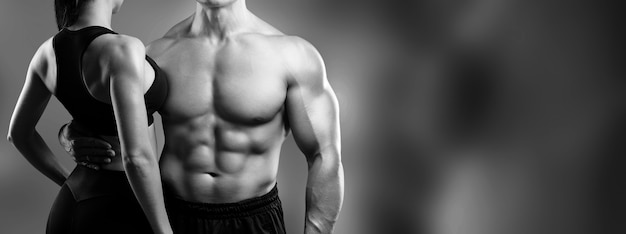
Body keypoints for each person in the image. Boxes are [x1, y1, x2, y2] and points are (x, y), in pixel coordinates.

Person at [60, 0, 344, 233]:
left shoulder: (293, 55)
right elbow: (110, 123)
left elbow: (324, 154)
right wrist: (69, 134)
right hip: (172, 217)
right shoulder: (157, 54)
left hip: (253, 220)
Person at [8, 0, 172, 233]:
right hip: (120, 207)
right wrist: (163, 230)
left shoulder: (46, 52)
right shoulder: (123, 49)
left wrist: (67, 180)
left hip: (74, 200)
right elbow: (136, 157)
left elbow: (18, 134)